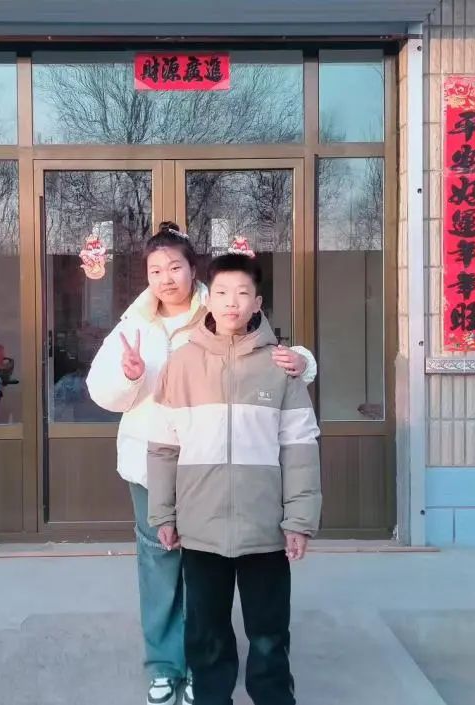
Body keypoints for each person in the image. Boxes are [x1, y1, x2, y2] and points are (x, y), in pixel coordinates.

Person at [86, 223, 317, 705]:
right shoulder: (133, 325)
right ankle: (164, 664)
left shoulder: (222, 304)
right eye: (155, 270)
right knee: (160, 567)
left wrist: (302, 361)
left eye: (175, 267)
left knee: (210, 584)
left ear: (194, 271)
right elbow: (104, 394)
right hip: (158, 465)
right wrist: (130, 378)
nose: (166, 277)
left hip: (240, 483)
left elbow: (275, 361)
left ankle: (202, 669)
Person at [148, 253, 322, 705]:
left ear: (257, 302)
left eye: (243, 293)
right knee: (206, 634)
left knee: (269, 633)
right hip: (201, 528)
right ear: (208, 300)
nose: (232, 302)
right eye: (222, 292)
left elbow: (301, 446)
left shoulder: (281, 366)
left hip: (264, 529)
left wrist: (299, 520)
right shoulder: (182, 364)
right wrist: (163, 514)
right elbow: (163, 447)